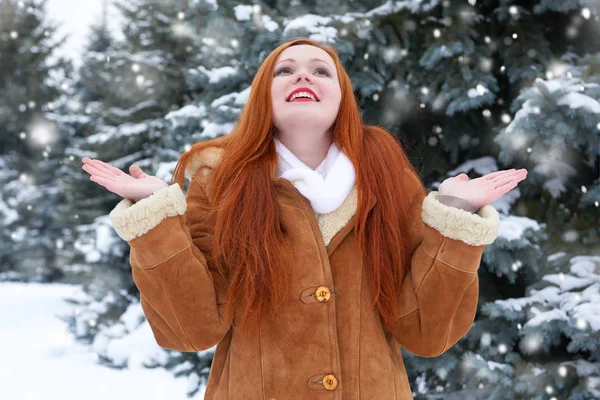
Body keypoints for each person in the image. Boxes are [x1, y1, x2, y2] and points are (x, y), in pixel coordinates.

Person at [81, 37, 527, 399]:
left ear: (341, 97)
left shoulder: (389, 180)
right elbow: (191, 330)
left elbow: (428, 333)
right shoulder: (220, 183)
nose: (302, 75)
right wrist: (155, 218)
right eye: (285, 69)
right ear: (264, 96)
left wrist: (457, 218)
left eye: (320, 70)